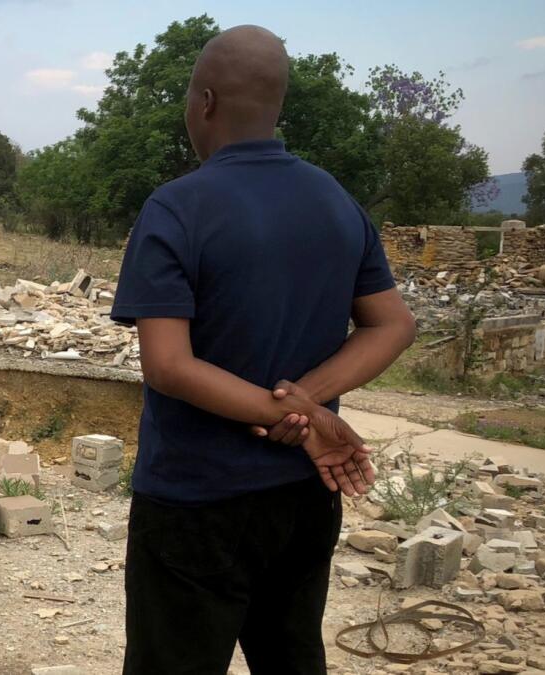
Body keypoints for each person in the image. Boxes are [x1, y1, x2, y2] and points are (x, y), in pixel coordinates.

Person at [111, 25, 417, 673]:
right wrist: (307, 404)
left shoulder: (176, 208)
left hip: (196, 502)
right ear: (276, 107)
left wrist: (288, 413)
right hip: (305, 499)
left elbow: (168, 364)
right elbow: (392, 325)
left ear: (206, 101)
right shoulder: (336, 201)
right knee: (291, 658)